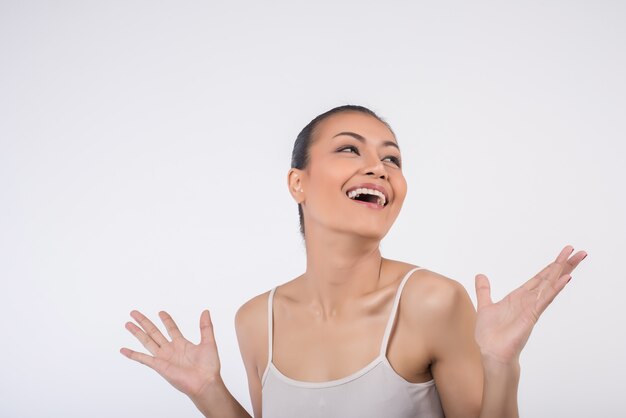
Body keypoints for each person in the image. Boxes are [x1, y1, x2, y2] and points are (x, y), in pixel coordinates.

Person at [120, 105, 587, 418]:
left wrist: (501, 364)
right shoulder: (255, 321)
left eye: (393, 159)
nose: (379, 167)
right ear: (297, 183)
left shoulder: (432, 302)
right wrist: (208, 392)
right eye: (350, 148)